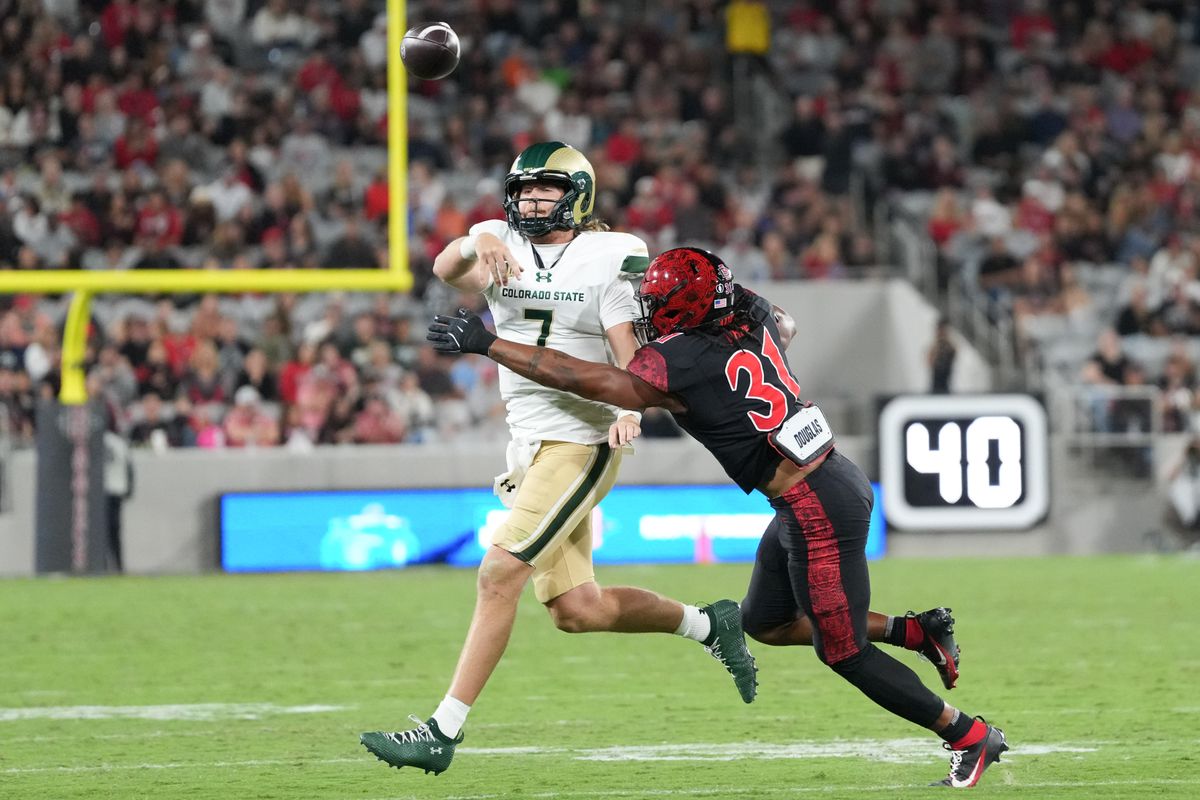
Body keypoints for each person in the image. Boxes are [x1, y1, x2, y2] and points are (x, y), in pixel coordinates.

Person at [427, 247, 1009, 788]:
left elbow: (591, 379)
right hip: (820, 486)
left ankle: (968, 734)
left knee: (844, 652)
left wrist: (490, 344)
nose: (649, 316)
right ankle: (916, 630)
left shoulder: (682, 362)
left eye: (657, 307)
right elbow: (785, 322)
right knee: (765, 621)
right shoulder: (752, 314)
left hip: (815, 505)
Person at [360, 143, 758, 775]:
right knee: (578, 611)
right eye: (523, 191)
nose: (531, 201)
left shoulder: (611, 254)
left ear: (577, 194)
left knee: (497, 573)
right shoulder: (500, 244)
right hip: (527, 446)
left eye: (545, 189)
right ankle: (711, 625)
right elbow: (444, 268)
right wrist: (477, 236)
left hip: (582, 440)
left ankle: (443, 731)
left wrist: (632, 408)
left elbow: (631, 349)